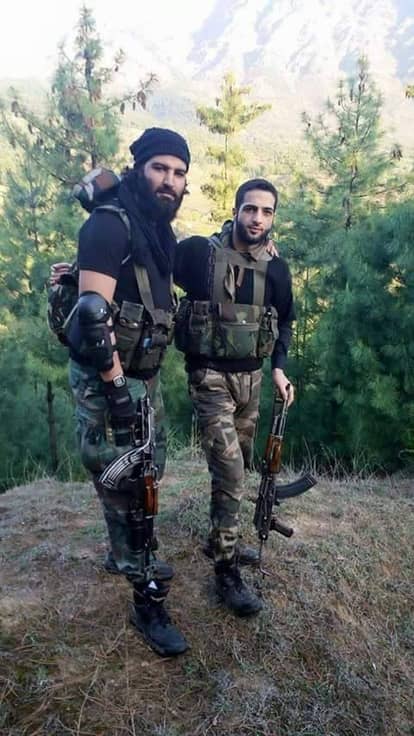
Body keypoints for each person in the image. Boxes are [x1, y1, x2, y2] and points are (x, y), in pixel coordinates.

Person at [63, 128, 191, 656]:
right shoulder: (109, 225)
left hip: (143, 378)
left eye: (179, 172)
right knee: (127, 485)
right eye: (160, 167)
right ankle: (146, 599)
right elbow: (93, 318)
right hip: (110, 380)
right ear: (139, 168)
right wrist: (117, 391)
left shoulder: (156, 231)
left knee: (147, 473)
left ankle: (129, 555)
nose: (169, 180)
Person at [174, 178, 295, 617]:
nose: (257, 219)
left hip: (252, 381)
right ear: (236, 210)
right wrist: (82, 272)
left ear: (273, 217)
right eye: (250, 209)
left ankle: (218, 539)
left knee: (238, 463)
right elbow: (149, 262)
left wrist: (278, 367)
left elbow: (285, 320)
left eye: (266, 211)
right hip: (209, 377)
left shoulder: (276, 268)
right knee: (231, 472)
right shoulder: (199, 254)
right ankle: (226, 571)